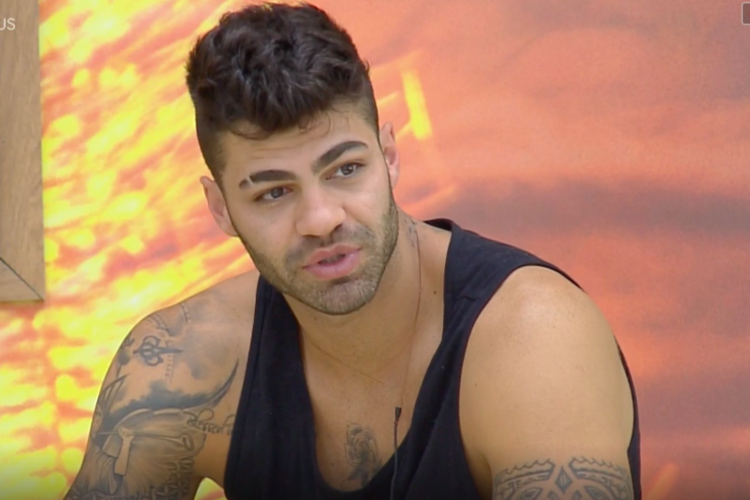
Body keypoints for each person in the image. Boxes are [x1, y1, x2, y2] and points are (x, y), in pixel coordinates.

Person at [63, 3, 640, 500]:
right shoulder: (179, 362)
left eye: (345, 169)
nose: (321, 219)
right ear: (221, 209)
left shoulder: (534, 339)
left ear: (388, 156)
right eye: (273, 193)